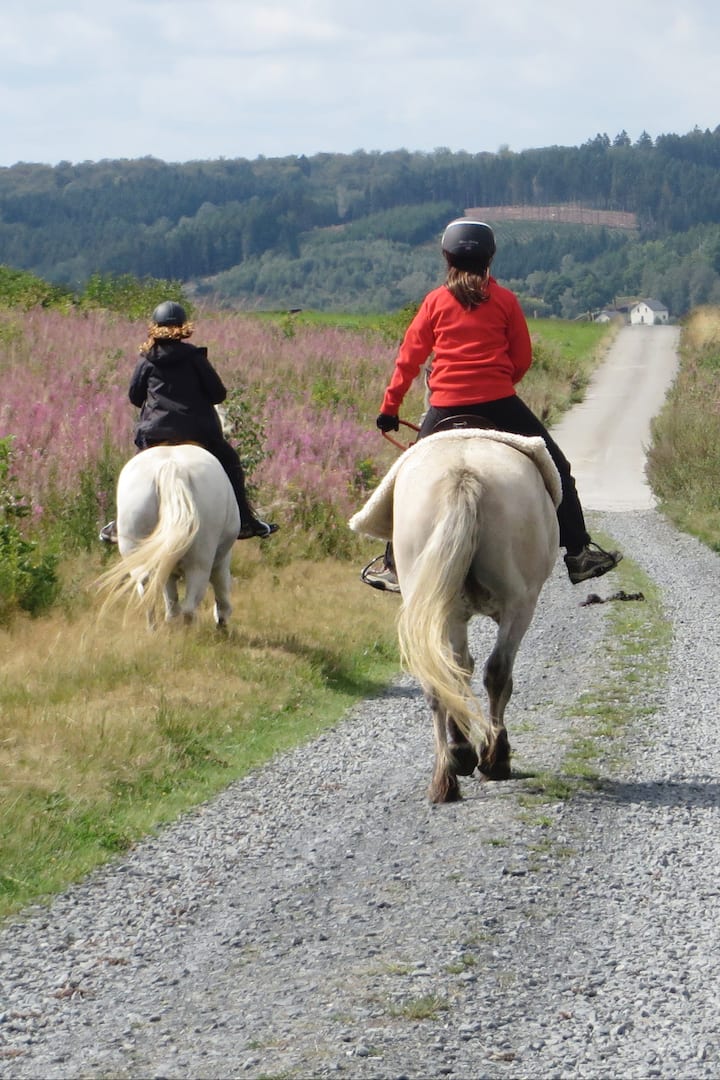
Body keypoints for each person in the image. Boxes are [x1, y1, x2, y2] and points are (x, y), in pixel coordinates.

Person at [361, 218, 621, 593]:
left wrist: (390, 407)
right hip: (500, 405)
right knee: (558, 467)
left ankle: (394, 566)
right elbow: (523, 357)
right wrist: (499, 382)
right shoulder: (506, 300)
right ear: (490, 257)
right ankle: (579, 554)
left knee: (407, 477)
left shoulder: (434, 302)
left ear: (447, 257)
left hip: (445, 407)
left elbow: (409, 359)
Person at [99, 301, 278, 543]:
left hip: (156, 434)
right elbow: (218, 394)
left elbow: (134, 397)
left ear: (155, 327)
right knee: (231, 463)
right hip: (197, 433)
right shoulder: (195, 358)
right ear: (183, 327)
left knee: (134, 472)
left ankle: (121, 523)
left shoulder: (146, 360)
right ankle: (246, 521)